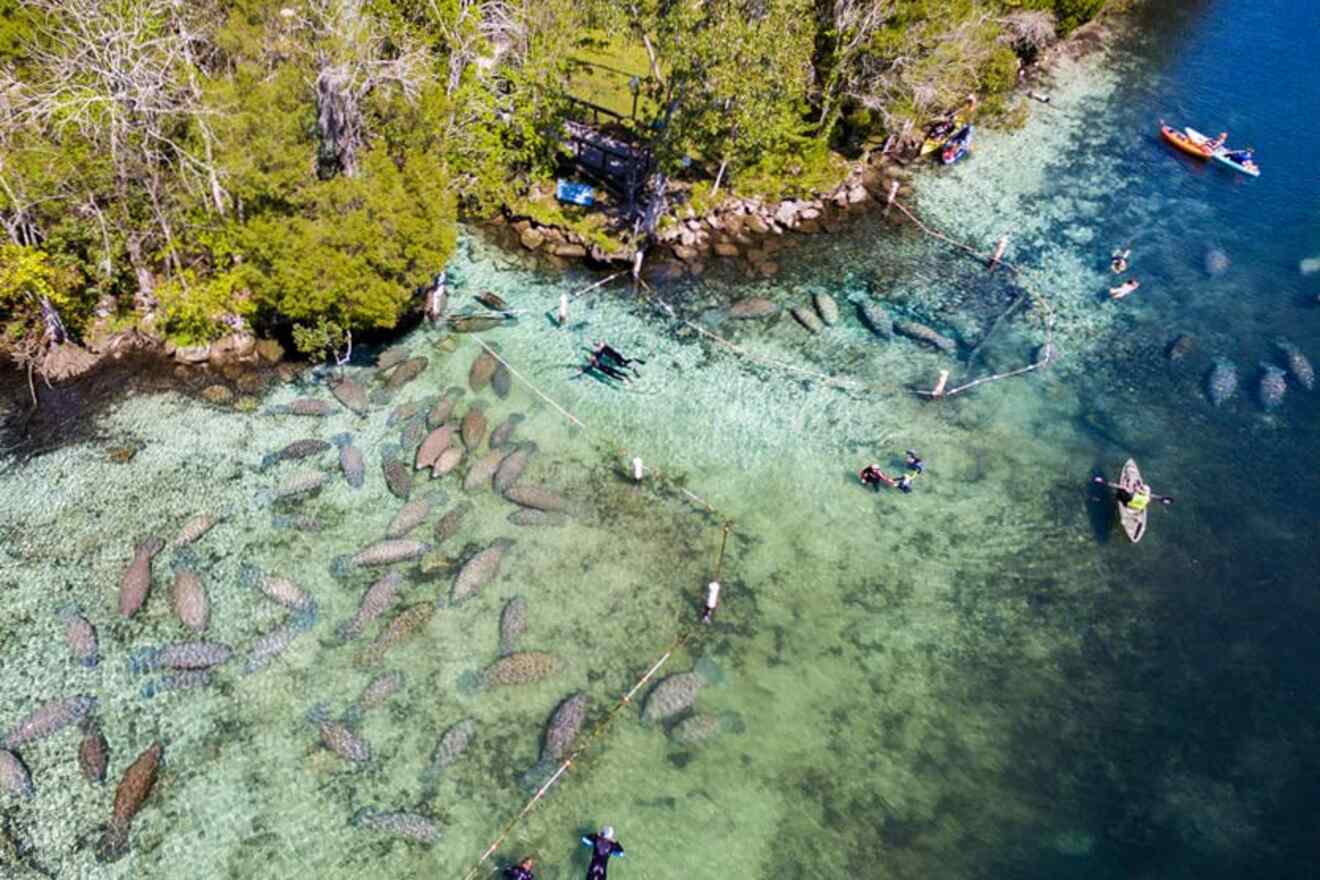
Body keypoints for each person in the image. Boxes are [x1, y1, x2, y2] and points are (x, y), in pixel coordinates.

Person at [1092, 475, 1174, 508]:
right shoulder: (1148, 497)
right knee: (1119, 496)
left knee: (1123, 488)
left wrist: (1135, 487)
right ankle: (1100, 499)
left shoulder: (1146, 492)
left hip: (1129, 499)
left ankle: (1102, 482)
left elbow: (1138, 490)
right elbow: (1153, 497)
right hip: (1129, 504)